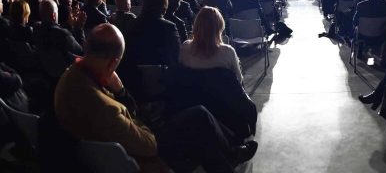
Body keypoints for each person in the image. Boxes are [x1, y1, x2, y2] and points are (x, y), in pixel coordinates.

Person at [55, 23, 258, 173]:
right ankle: (232, 152)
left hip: (109, 149)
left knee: (202, 130)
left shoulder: (72, 74)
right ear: (113, 63)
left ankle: (231, 152)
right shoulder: (104, 109)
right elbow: (149, 145)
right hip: (139, 156)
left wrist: (120, 91)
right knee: (199, 117)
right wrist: (123, 95)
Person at [179, 7, 243, 83]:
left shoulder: (186, 47)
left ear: (196, 25)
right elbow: (238, 80)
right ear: (220, 27)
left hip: (193, 93)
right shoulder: (228, 51)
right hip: (221, 93)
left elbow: (181, 74)